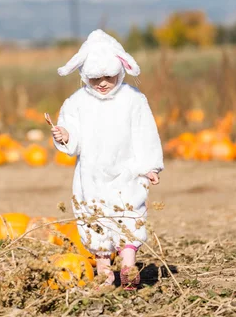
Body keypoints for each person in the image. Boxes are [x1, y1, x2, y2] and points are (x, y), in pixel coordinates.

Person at [51, 29, 163, 289]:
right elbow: (72, 138)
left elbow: (145, 132)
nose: (102, 83)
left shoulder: (133, 100)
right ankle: (104, 272)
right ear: (83, 75)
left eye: (109, 77)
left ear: (121, 70)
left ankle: (127, 265)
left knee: (129, 215)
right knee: (95, 221)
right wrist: (65, 135)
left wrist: (149, 166)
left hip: (127, 171)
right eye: (94, 78)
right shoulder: (76, 103)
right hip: (91, 177)